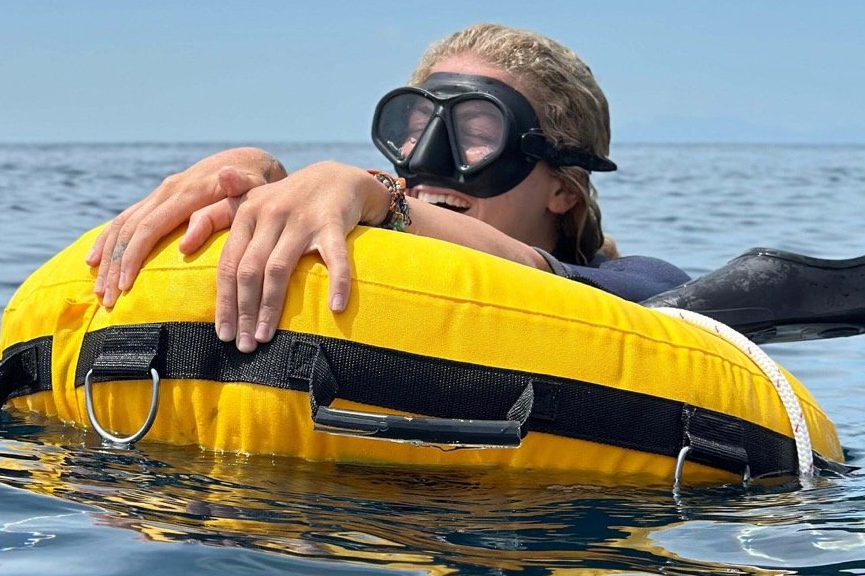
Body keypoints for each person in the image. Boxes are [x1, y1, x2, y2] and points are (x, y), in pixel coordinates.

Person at [87, 23, 689, 352]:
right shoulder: (371, 240)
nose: (425, 161)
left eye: (476, 134)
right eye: (414, 129)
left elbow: (646, 292)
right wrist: (257, 178)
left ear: (564, 190)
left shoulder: (638, 282)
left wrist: (379, 195)